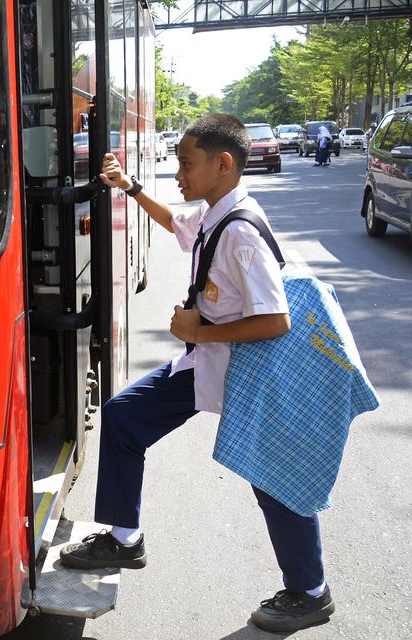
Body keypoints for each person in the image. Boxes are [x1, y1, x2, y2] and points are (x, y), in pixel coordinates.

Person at [59, 114, 335, 633]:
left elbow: (276, 320)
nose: (179, 173)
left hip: (247, 370)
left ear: (222, 164)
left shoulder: (241, 233)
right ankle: (123, 538)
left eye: (186, 164)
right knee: (124, 415)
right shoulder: (215, 214)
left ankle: (310, 591)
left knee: (274, 479)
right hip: (209, 362)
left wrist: (196, 329)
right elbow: (175, 224)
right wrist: (131, 187)